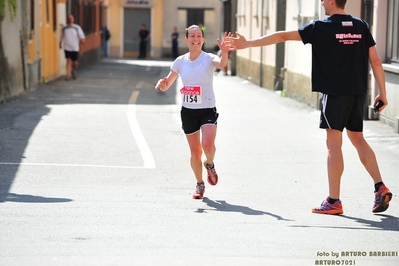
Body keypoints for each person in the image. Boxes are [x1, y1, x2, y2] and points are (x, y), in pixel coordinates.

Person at [227, 0, 392, 215]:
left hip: (334, 93)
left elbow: (282, 36)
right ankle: (380, 187)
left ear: (332, 1)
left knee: (334, 145)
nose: (321, 1)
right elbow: (376, 61)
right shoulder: (361, 25)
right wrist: (382, 93)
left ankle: (334, 201)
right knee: (357, 139)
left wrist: (248, 44)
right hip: (357, 92)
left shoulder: (321, 27)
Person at [155, 25, 231, 199]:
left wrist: (225, 52)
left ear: (203, 40)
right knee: (195, 152)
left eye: (199, 36)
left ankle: (209, 163)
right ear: (186, 40)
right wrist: (162, 84)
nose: (195, 38)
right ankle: (199, 184)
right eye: (192, 36)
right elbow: (167, 84)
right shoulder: (180, 62)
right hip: (188, 111)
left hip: (207, 109)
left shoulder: (209, 58)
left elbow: (222, 63)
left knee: (208, 146)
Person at [59, 14, 85, 81]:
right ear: (67, 19)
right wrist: (60, 43)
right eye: (69, 18)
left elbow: (81, 36)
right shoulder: (64, 28)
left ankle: (74, 71)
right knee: (68, 60)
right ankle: (68, 74)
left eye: (71, 18)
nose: (70, 20)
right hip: (67, 47)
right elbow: (61, 36)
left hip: (75, 47)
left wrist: (82, 40)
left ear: (73, 20)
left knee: (75, 62)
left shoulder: (77, 27)